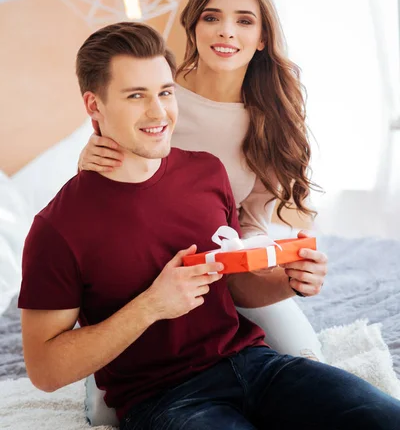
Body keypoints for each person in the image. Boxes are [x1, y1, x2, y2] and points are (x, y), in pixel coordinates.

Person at [19, 23, 400, 429]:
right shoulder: (57, 228)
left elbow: (232, 286)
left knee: (385, 418)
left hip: (255, 364)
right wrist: (152, 305)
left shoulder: (205, 172)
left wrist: (288, 281)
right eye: (136, 96)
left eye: (165, 92)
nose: (158, 112)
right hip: (165, 398)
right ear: (94, 106)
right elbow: (45, 370)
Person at [78, 0, 327, 357]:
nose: (226, 31)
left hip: (224, 277)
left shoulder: (272, 118)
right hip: (144, 282)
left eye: (244, 21)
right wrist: (86, 158)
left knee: (307, 359)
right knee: (110, 411)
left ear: (262, 38)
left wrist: (261, 257)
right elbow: (100, 197)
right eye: (211, 17)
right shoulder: (155, 97)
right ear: (193, 28)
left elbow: (250, 217)